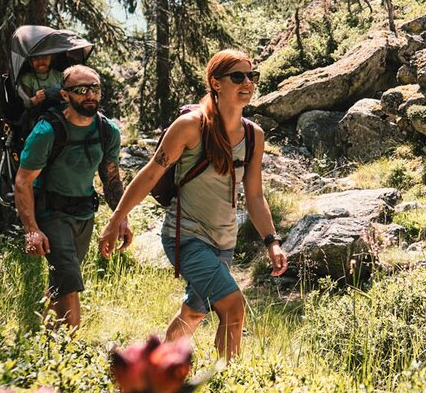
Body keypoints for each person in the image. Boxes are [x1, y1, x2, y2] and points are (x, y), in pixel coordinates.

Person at [97, 49, 288, 361]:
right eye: (237, 76)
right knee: (233, 305)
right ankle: (228, 379)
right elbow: (150, 175)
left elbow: (255, 196)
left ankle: (159, 366)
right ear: (216, 82)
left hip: (224, 241)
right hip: (185, 237)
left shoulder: (254, 135)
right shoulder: (190, 126)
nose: (247, 83)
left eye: (251, 76)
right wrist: (116, 219)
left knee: (194, 312)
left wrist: (272, 242)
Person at [15, 65, 131, 330]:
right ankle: (73, 349)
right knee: (70, 284)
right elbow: (23, 181)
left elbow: (111, 179)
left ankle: (48, 342)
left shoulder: (108, 131)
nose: (89, 94)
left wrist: (121, 219)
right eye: (80, 89)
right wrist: (31, 230)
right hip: (51, 214)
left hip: (84, 215)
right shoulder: (46, 132)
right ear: (65, 95)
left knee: (61, 283)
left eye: (94, 88)